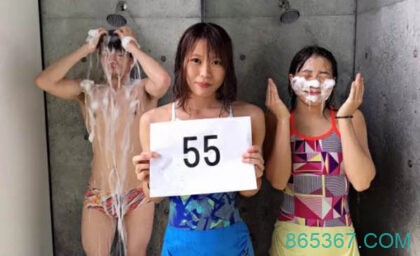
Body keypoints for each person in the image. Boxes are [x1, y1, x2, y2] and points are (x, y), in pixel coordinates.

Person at [35, 14, 170, 256]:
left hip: (137, 192)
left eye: (120, 55)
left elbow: (163, 80)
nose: (113, 60)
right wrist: (85, 49)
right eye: (107, 54)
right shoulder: (89, 92)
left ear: (131, 61)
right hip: (99, 194)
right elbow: (44, 81)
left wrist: (132, 46)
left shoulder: (142, 91)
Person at [133, 20, 265, 256]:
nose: (205, 72)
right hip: (180, 244)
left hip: (230, 242)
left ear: (227, 67)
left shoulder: (248, 117)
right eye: (196, 60)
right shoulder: (154, 121)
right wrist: (148, 178)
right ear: (181, 62)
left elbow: (249, 192)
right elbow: (155, 196)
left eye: (216, 62)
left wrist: (255, 171)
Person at [265, 43, 375, 250]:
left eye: (323, 75)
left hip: (339, 239)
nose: (315, 82)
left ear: (334, 81)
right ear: (291, 79)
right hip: (291, 240)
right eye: (306, 75)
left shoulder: (352, 118)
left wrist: (344, 117)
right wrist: (282, 120)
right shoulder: (277, 120)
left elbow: (362, 182)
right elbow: (278, 182)